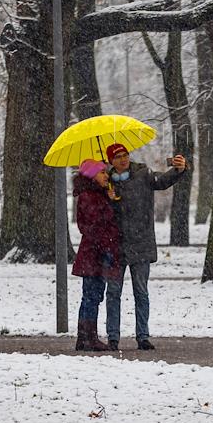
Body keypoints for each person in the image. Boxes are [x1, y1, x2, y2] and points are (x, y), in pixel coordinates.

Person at [104, 142, 187, 351]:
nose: (123, 159)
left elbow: (162, 181)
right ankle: (113, 337)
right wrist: (109, 199)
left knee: (141, 292)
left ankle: (143, 336)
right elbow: (100, 213)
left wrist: (178, 170)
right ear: (111, 161)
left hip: (141, 244)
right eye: (118, 157)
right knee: (113, 293)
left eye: (125, 155)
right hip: (115, 247)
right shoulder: (105, 182)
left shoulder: (142, 174)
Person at [71, 159, 121, 352]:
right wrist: (109, 203)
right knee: (91, 296)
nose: (106, 175)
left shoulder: (96, 194)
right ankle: (87, 337)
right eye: (102, 172)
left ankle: (86, 336)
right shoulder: (89, 196)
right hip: (94, 253)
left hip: (96, 253)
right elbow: (95, 224)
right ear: (92, 176)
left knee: (93, 295)